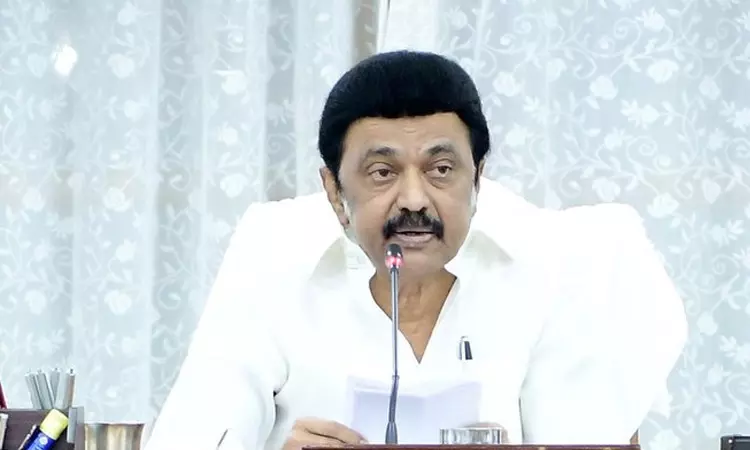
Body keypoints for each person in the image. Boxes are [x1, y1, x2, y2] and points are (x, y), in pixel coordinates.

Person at [144, 50, 687, 450]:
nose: (413, 200)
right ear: (334, 191)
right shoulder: (273, 259)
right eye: (382, 172)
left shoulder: (553, 269)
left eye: (441, 169)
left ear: (478, 180)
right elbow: (190, 439)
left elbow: (584, 438)